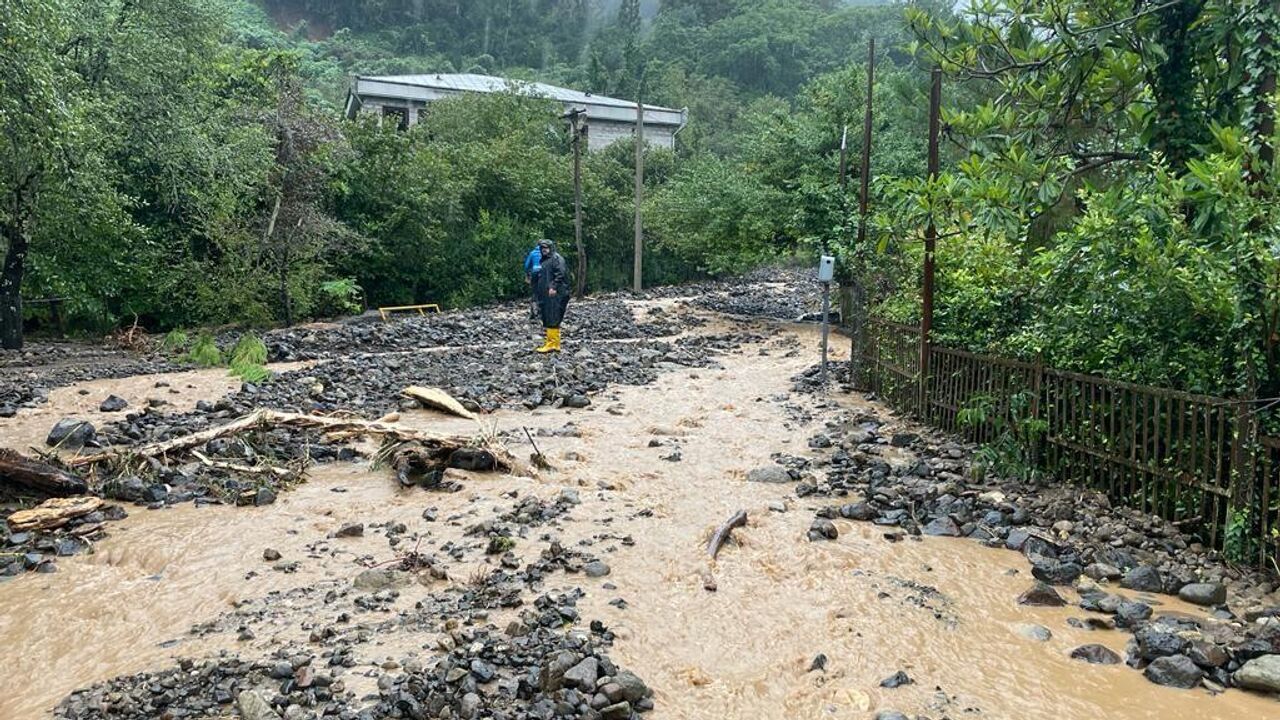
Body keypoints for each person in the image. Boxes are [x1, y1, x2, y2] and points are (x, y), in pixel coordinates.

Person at [532, 239, 570, 353]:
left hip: (556, 294)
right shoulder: (545, 260)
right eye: (542, 248)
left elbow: (561, 274)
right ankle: (554, 343)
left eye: (546, 248)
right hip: (547, 294)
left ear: (551, 248)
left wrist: (553, 286)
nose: (544, 250)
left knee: (552, 316)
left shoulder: (556, 259)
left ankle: (552, 344)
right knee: (550, 316)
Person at [523, 242, 543, 319]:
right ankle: (542, 312)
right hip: (544, 274)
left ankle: (533, 313)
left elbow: (526, 265)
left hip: (534, 273)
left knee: (534, 293)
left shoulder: (532, 253)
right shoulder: (547, 252)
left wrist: (528, 273)